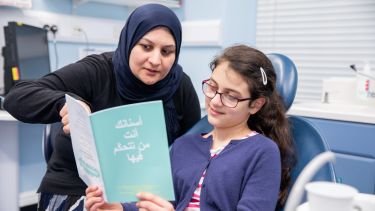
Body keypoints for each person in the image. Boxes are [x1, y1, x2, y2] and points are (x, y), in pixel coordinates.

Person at [3, 3, 201, 211]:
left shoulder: (179, 86)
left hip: (144, 195)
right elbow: (16, 96)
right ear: (130, 41)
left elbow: (193, 152)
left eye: (167, 51)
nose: (155, 60)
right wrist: (66, 103)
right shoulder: (98, 71)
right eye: (146, 46)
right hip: (78, 188)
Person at [85, 45, 296, 211]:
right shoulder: (184, 145)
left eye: (230, 96)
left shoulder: (262, 152)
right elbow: (159, 201)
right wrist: (118, 207)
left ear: (255, 104)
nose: (214, 101)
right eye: (212, 87)